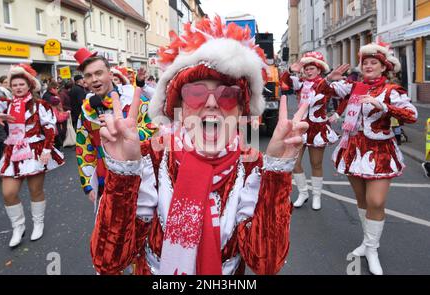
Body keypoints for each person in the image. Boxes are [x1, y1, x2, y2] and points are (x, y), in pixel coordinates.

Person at [90, 16, 308, 275]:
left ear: (241, 110)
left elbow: (266, 264)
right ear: (179, 107)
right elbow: (109, 261)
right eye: (196, 93)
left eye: (228, 95)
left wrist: (277, 174)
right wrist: (123, 174)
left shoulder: (253, 167)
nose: (213, 103)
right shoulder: (152, 158)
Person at [319, 40, 418, 275]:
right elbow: (320, 93)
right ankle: (366, 242)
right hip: (353, 150)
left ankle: (372, 249)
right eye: (365, 62)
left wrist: (382, 105)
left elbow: (411, 115)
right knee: (362, 200)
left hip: (380, 152)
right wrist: (329, 79)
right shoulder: (354, 87)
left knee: (376, 202)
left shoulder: (392, 91)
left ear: (383, 67)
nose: (369, 66)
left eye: (374, 62)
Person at [0, 64, 65, 247]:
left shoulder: (40, 105)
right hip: (13, 152)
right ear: (10, 86)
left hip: (34, 151)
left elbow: (50, 128)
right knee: (8, 193)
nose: (18, 87)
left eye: (21, 84)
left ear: (29, 86)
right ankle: (18, 228)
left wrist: (47, 149)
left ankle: (38, 223)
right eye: (15, 84)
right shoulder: (6, 103)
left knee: (36, 191)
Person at [74, 48, 155, 207]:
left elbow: (154, 132)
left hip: (140, 177)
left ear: (110, 75)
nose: (94, 79)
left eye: (99, 73)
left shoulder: (134, 100)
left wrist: (131, 136)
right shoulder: (87, 111)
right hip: (105, 179)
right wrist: (88, 185)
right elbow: (84, 148)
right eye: (89, 76)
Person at [280, 52, 339, 210]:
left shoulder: (325, 84)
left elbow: (338, 93)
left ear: (319, 70)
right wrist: (291, 70)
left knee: (316, 163)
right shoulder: (300, 83)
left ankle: (317, 196)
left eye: (311, 68)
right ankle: (303, 192)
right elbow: (284, 83)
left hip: (317, 128)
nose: (308, 71)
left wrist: (339, 113)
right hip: (300, 126)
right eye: (306, 68)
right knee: (294, 161)